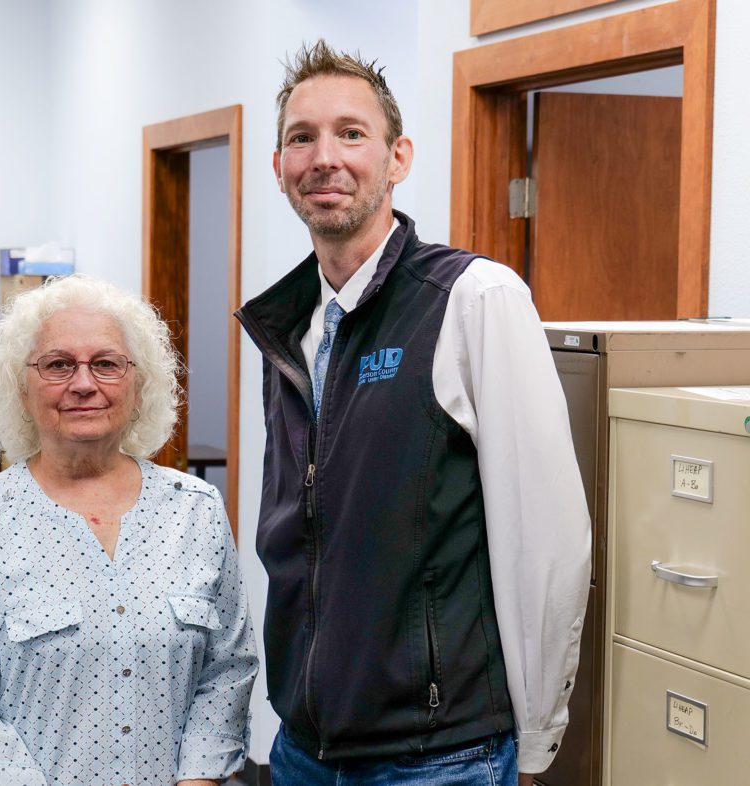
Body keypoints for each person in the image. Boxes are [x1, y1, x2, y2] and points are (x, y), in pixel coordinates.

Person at [234, 41, 590, 786]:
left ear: (398, 158)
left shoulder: (475, 299)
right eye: (302, 138)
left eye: (351, 134)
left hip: (439, 758)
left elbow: (546, 543)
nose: (324, 157)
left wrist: (534, 743)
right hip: (304, 751)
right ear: (278, 168)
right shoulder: (289, 329)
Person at [0, 275, 257, 786]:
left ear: (139, 383)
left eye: (106, 363)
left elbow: (228, 669)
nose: (83, 383)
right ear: (22, 386)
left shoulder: (196, 508)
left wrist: (198, 779)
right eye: (58, 365)